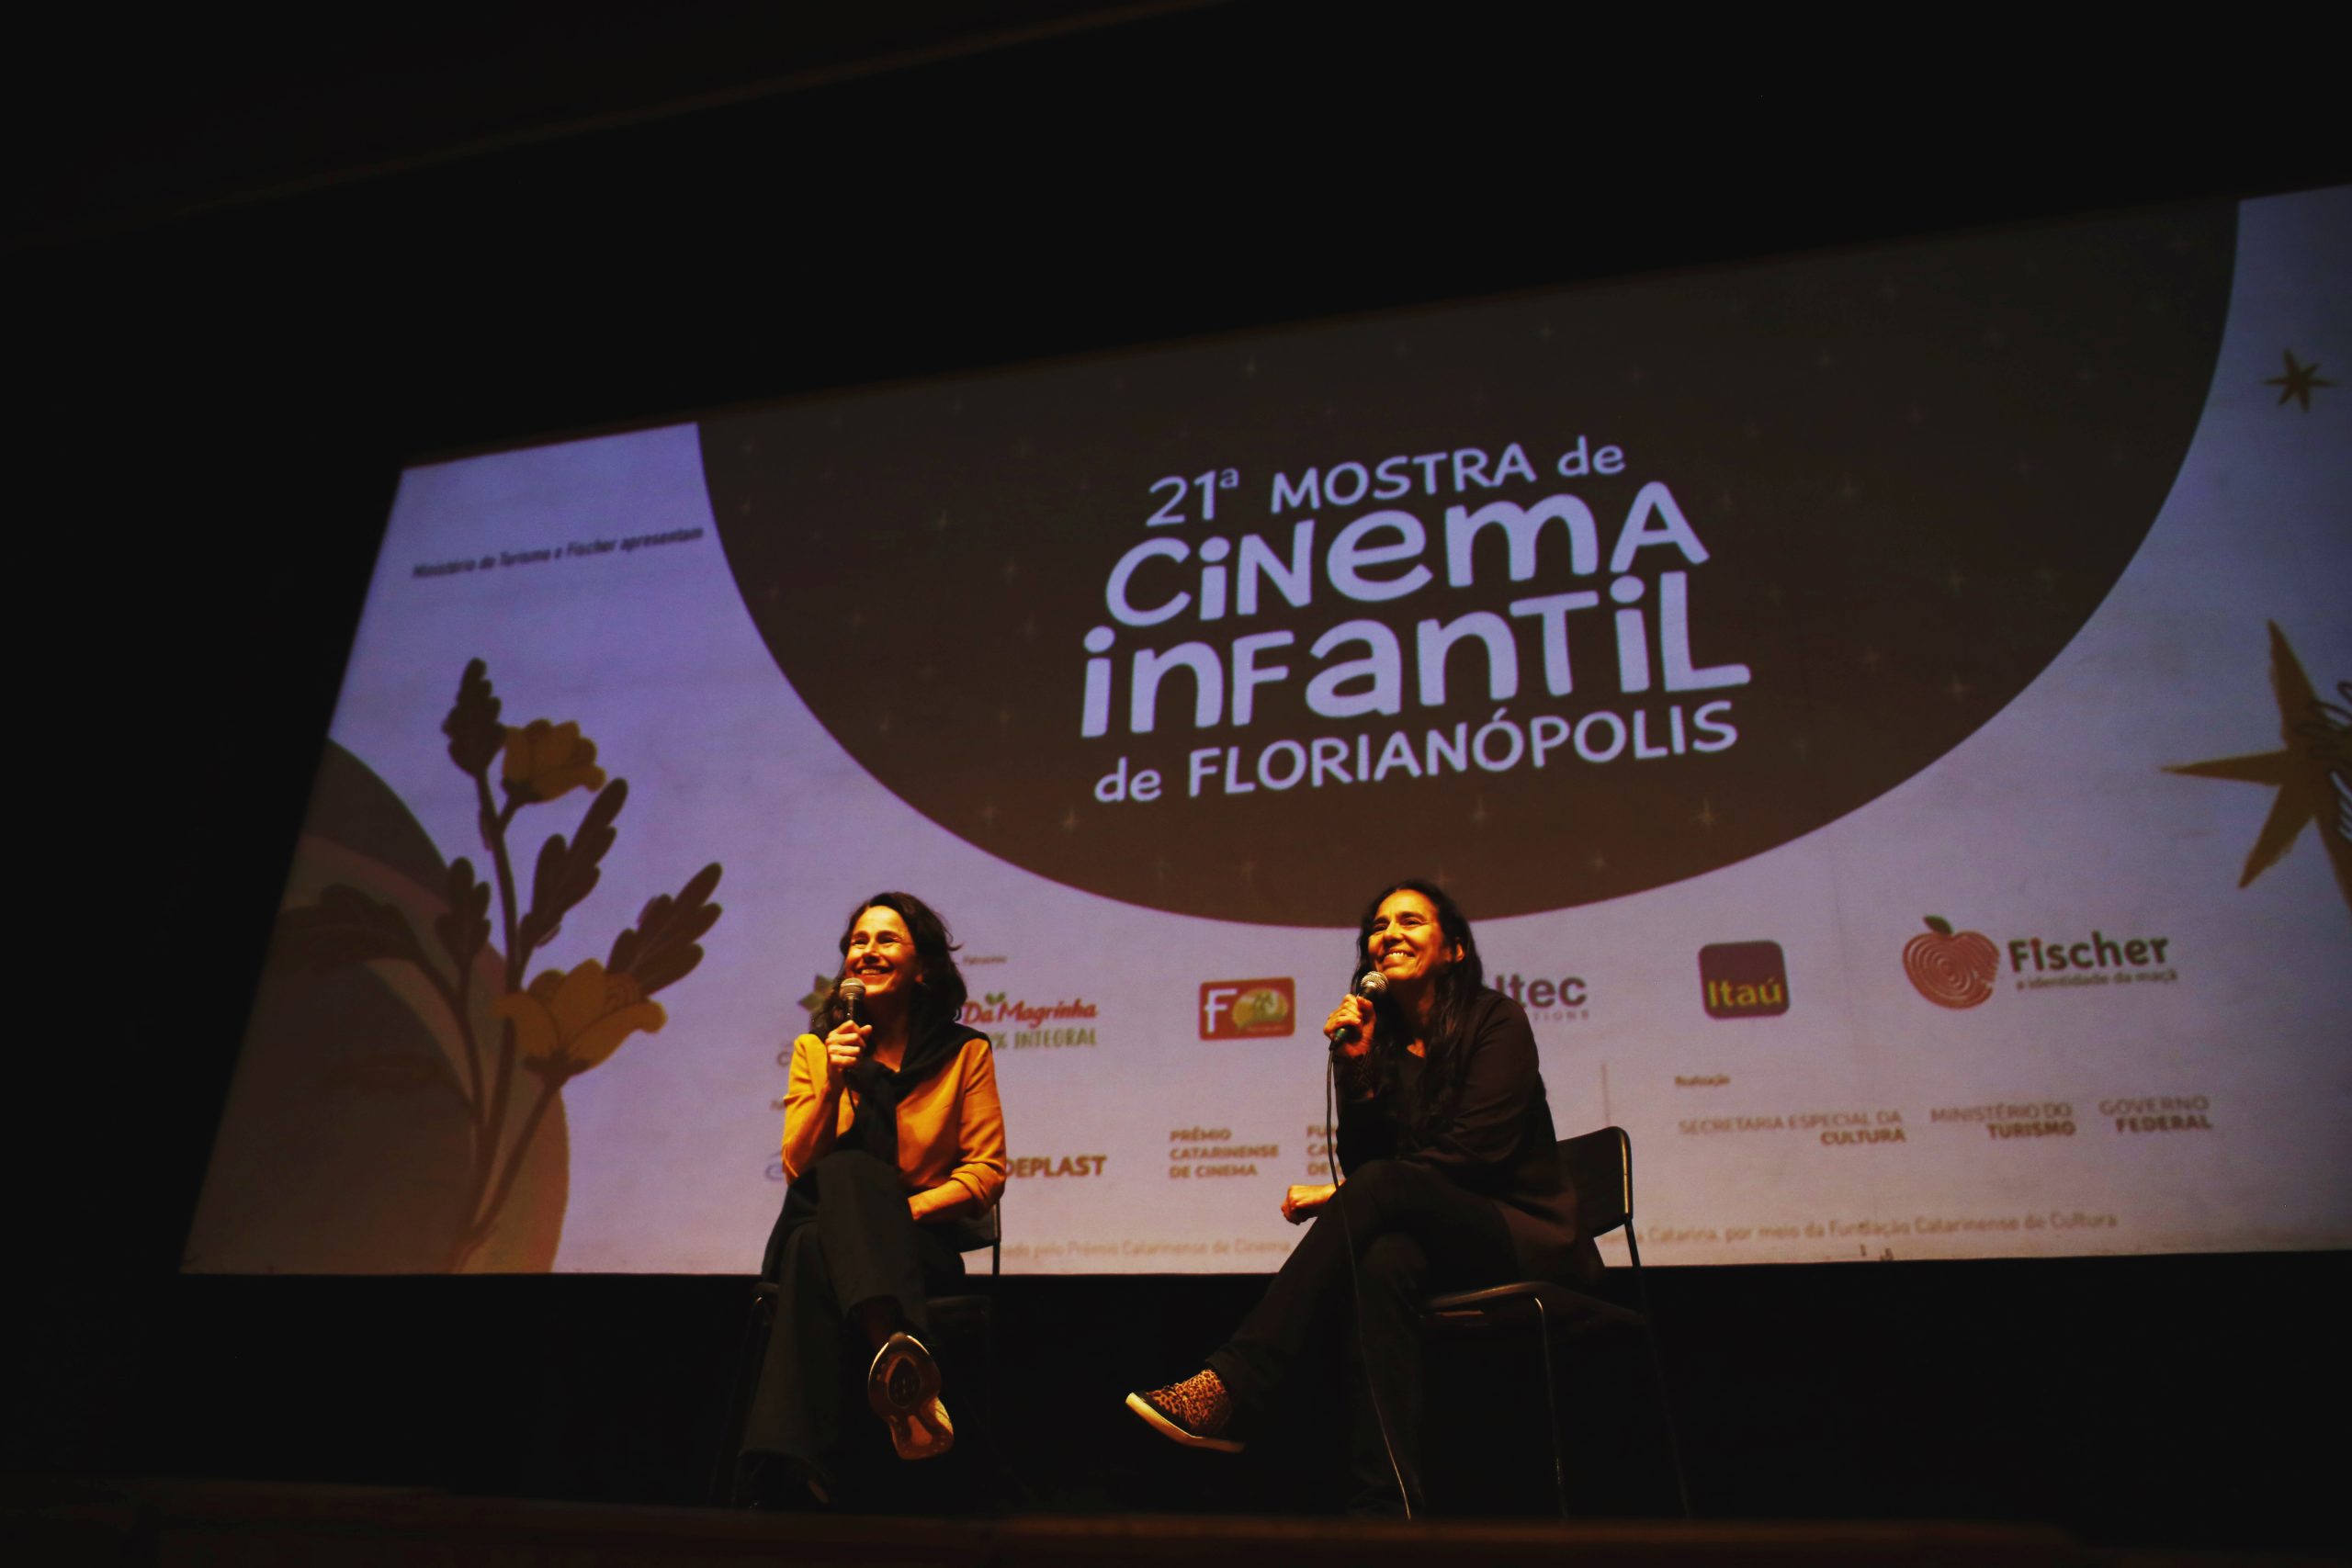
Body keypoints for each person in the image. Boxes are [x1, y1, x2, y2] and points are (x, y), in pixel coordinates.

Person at [1125, 878, 1594, 1515]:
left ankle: (1238, 1381)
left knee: (1381, 1201)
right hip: (1442, 1238)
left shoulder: (1497, 1020)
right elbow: (1372, 1168)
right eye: (1378, 925)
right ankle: (1386, 1504)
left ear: (1454, 949)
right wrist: (1358, 1067)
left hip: (1525, 1235)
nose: (1389, 934)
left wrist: (1336, 1195)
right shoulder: (1385, 1041)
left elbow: (1476, 1152)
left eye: (1410, 921)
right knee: (1383, 1260)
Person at [738, 891, 1007, 1505]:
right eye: (858, 941)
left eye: (886, 939)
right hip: (823, 1217)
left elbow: (986, 1173)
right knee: (840, 1178)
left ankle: (793, 1475)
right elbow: (799, 1166)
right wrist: (834, 1083)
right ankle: (902, 1362)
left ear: (925, 968)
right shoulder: (817, 1051)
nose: (867, 951)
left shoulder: (965, 1053)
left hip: (916, 1244)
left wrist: (894, 1215)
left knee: (815, 1244)